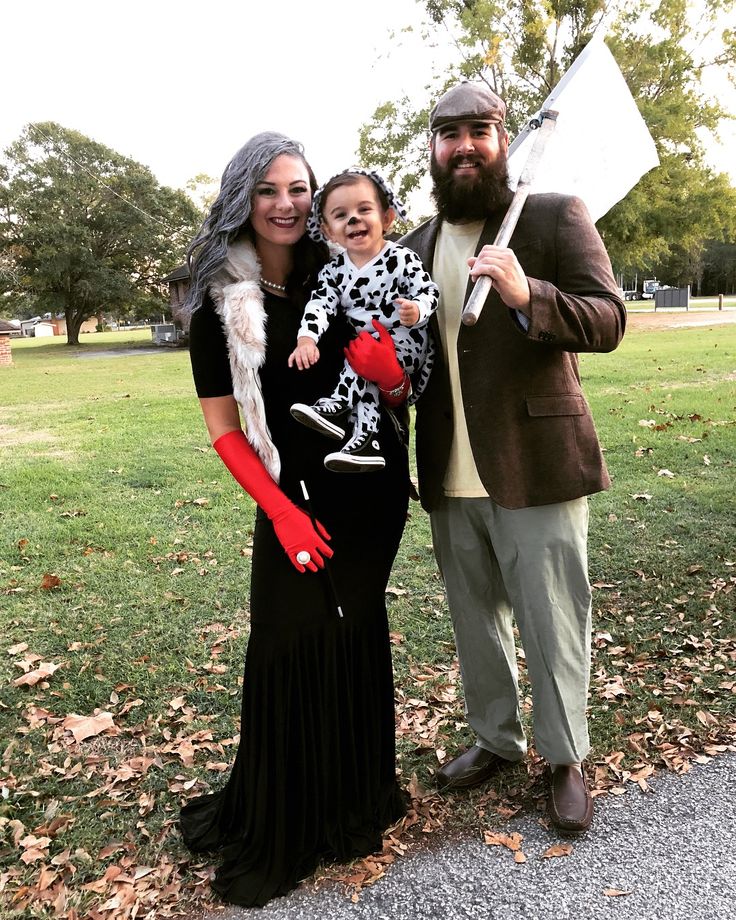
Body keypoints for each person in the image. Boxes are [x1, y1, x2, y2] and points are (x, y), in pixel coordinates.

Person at [346, 82, 626, 834]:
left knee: (552, 618)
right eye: (449, 134)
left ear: (503, 139)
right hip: (448, 471)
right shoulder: (411, 248)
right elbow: (411, 358)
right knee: (476, 620)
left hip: (536, 462)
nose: (464, 144)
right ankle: (495, 740)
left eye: (480, 130)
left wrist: (524, 290)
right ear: (432, 150)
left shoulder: (551, 216)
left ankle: (565, 757)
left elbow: (608, 320)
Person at [178, 132, 411, 907]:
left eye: (299, 189)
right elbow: (224, 430)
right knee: (286, 636)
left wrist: (394, 377)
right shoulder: (217, 300)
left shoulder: (339, 270)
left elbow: (397, 370)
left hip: (366, 488)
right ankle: (287, 819)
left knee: (352, 633)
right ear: (243, 196)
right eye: (270, 189)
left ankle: (353, 802)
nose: (287, 204)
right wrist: (279, 514)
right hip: (291, 498)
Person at [288, 168, 438, 472]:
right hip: (368, 351)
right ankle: (365, 441)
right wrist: (307, 338)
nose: (353, 219)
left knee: (358, 358)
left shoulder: (401, 258)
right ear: (328, 230)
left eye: (364, 209)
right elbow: (320, 304)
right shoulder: (333, 272)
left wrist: (417, 309)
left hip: (406, 341)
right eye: (341, 215)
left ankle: (337, 408)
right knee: (363, 374)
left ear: (387, 218)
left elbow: (429, 291)